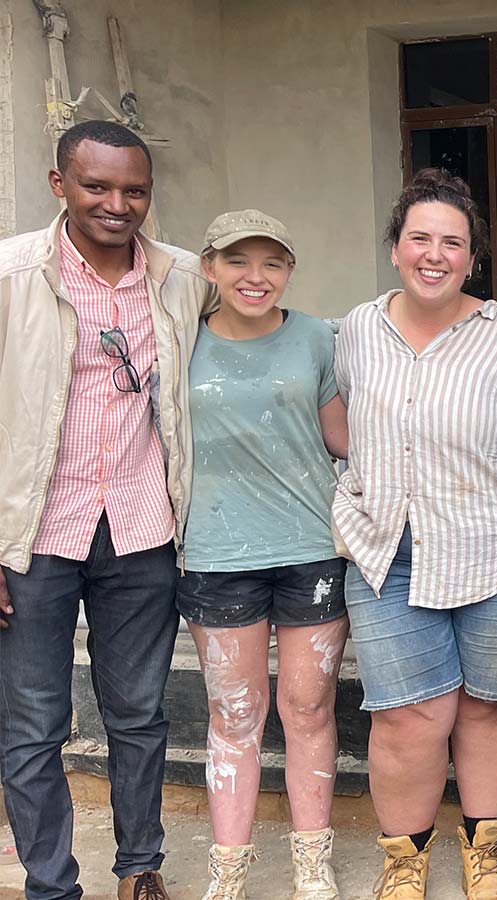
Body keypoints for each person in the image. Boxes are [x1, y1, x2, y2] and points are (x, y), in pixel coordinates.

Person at [0, 120, 211, 900]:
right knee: (31, 728)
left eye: (134, 190)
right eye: (97, 186)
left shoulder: (183, 277)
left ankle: (139, 869)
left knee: (139, 715)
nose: (117, 204)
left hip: (142, 530)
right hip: (32, 539)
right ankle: (50, 885)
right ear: (60, 185)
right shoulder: (13, 275)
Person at [335, 169, 497, 900]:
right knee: (407, 717)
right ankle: (406, 861)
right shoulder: (358, 329)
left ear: (473, 257)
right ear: (395, 247)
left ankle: (484, 851)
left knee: (489, 705)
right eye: (419, 237)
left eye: (451, 242)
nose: (434, 253)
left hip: (495, 548)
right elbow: (341, 421)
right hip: (386, 547)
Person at [178, 209, 349, 900]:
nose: (257, 277)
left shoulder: (314, 337)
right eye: (239, 261)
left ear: (289, 271)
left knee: (308, 708)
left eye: (272, 262)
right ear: (209, 267)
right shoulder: (179, 341)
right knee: (235, 714)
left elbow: (341, 437)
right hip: (216, 552)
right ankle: (230, 866)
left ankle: (312, 861)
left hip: (309, 547)